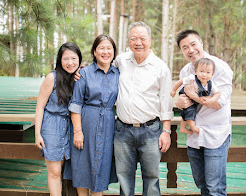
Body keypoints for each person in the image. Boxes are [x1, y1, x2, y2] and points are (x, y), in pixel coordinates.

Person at [113, 21, 173, 196]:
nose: (138, 42)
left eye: (142, 38)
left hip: (151, 130)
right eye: (133, 39)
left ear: (150, 40)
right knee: (123, 177)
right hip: (123, 130)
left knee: (152, 177)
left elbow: (166, 101)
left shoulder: (160, 67)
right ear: (129, 41)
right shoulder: (121, 61)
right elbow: (102, 70)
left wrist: (166, 131)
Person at [175, 29, 233, 195]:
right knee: (202, 184)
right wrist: (179, 102)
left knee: (215, 187)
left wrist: (194, 96)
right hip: (194, 135)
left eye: (193, 44)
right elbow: (184, 100)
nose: (190, 50)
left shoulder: (220, 67)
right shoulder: (185, 71)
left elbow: (220, 102)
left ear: (201, 43)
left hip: (216, 134)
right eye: (185, 47)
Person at [63, 34, 119, 196]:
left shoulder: (118, 74)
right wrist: (78, 132)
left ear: (114, 52)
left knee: (101, 167)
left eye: (109, 48)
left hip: (108, 123)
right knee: (82, 165)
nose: (105, 51)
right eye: (101, 48)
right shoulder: (84, 73)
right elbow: (75, 104)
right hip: (86, 122)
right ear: (94, 51)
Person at [35, 42, 82, 196]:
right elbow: (40, 106)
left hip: (70, 126)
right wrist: (37, 134)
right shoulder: (52, 78)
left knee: (68, 171)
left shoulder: (79, 78)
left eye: (74, 58)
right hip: (52, 126)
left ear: (79, 59)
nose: (70, 63)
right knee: (55, 171)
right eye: (66, 59)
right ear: (60, 60)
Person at [171, 58, 220, 134]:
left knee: (187, 112)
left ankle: (182, 128)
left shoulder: (211, 84)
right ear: (196, 71)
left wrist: (212, 100)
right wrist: (173, 90)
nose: (204, 74)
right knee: (190, 110)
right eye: (201, 71)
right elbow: (180, 82)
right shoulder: (192, 78)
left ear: (212, 74)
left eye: (208, 72)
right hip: (186, 96)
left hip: (195, 99)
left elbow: (218, 93)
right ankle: (193, 127)